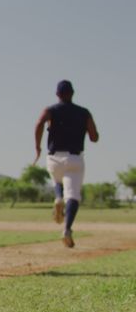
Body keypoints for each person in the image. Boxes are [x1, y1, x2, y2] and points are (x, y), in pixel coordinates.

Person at [34, 80, 99, 248]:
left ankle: (57, 197)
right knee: (73, 196)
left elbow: (39, 123)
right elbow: (94, 137)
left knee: (57, 180)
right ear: (72, 93)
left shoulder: (50, 110)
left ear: (57, 94)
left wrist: (38, 146)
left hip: (54, 158)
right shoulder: (84, 112)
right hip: (75, 159)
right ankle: (67, 229)